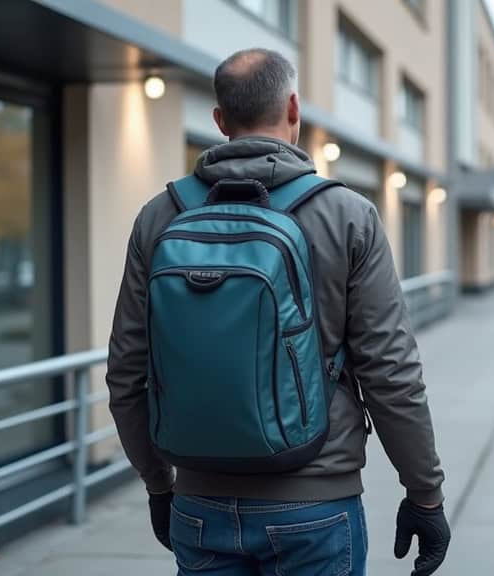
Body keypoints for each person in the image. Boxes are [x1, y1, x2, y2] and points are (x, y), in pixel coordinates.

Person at [106, 48, 449, 576]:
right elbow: (391, 373)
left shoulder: (159, 217)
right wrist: (424, 493)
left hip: (198, 503)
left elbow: (127, 372)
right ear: (294, 108)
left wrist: (158, 483)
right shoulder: (346, 215)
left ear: (219, 120)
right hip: (315, 504)